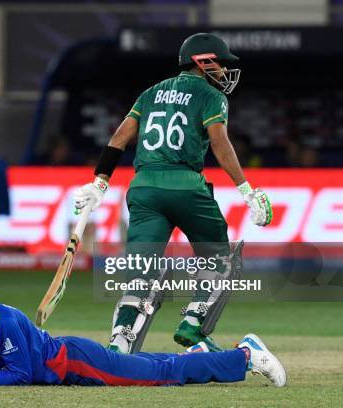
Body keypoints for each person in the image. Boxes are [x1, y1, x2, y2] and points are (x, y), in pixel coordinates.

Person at [72, 33, 274, 354]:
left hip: (144, 189)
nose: (223, 72)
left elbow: (119, 138)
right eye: (219, 64)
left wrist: (99, 182)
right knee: (221, 259)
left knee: (141, 272)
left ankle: (121, 340)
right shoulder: (211, 95)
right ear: (203, 62)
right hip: (186, 186)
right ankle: (193, 321)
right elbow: (220, 143)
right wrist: (246, 190)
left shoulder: (150, 93)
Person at [0, 269, 286, 387]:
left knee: (162, 375)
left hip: (76, 362)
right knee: (154, 365)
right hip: (68, 365)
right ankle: (201, 353)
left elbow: (21, 375)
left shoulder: (0, 322)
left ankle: (244, 355)